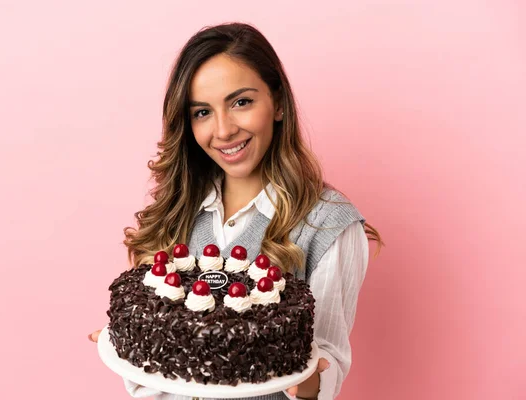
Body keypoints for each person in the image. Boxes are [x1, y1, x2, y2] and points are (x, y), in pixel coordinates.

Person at [89, 22, 383, 400]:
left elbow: (324, 366)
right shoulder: (179, 208)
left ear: (277, 103)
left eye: (241, 102)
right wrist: (129, 352)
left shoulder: (329, 225)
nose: (224, 130)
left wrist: (309, 381)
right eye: (202, 112)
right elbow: (157, 372)